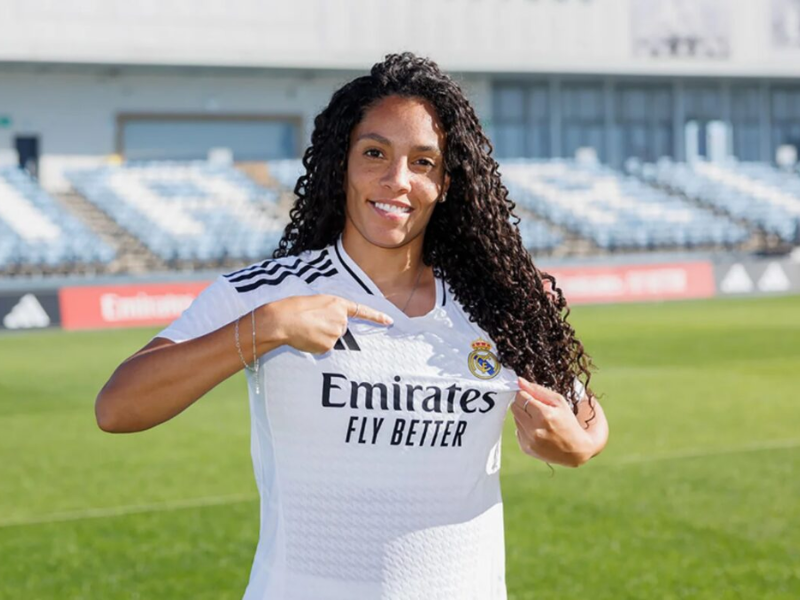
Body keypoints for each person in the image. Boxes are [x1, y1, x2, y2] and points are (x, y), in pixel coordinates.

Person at [96, 52, 608, 600]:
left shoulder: (496, 304)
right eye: (374, 153)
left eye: (423, 162)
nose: (397, 180)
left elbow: (586, 417)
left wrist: (578, 444)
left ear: (446, 183)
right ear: (341, 162)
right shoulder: (271, 293)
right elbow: (118, 407)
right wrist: (264, 329)